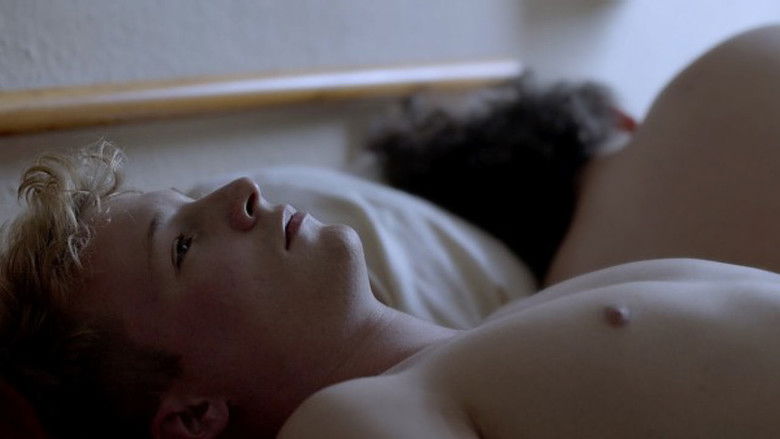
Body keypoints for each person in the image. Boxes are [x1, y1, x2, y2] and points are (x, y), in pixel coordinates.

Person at [2, 24, 780, 438]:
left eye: (193, 201)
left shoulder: (496, 341)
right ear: (195, 413)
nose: (241, 192)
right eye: (181, 244)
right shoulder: (354, 417)